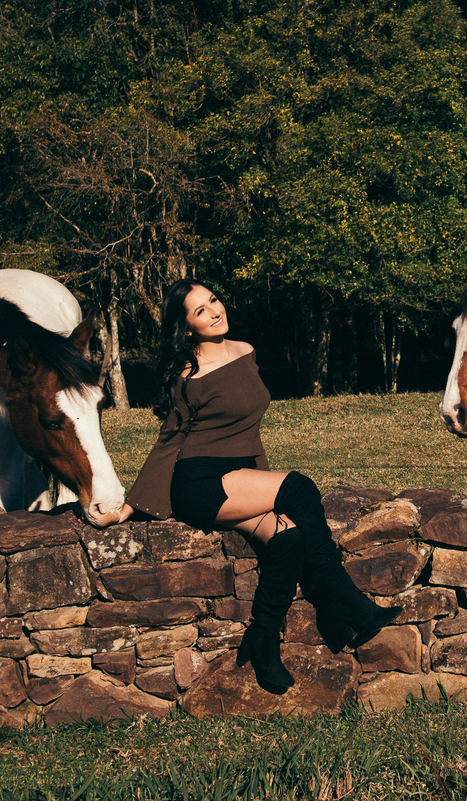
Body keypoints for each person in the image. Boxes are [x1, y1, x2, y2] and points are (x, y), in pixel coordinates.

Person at [119, 279, 401, 694]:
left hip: (239, 477)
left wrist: (270, 487)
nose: (214, 311)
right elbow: (169, 443)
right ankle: (344, 601)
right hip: (199, 483)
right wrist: (131, 506)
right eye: (200, 311)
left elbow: (247, 431)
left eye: (213, 299)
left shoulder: (245, 351)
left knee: (288, 539)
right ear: (186, 327)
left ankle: (263, 641)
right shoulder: (188, 373)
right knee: (301, 488)